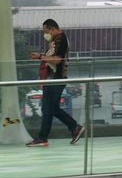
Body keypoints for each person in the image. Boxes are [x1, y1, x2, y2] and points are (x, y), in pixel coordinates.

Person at [25, 19, 83, 147]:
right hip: (51, 79)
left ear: (52, 29)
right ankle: (74, 127)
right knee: (52, 108)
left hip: (56, 79)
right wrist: (40, 55)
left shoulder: (61, 39)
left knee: (47, 108)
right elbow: (51, 58)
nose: (44, 34)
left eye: (45, 31)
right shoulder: (54, 40)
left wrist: (40, 57)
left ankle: (42, 138)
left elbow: (57, 60)